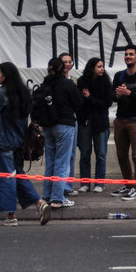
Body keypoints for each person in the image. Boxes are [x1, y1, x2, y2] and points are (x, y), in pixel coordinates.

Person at [0, 62, 51, 226]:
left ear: (5, 76)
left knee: (6, 178)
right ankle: (40, 203)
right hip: (19, 141)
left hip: (4, 142)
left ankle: (11, 216)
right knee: (18, 175)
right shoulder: (23, 92)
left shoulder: (1, 92)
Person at [39, 57, 82, 208]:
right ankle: (58, 198)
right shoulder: (67, 84)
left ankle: (46, 195)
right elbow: (78, 103)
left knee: (50, 161)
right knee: (62, 162)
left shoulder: (44, 84)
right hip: (64, 125)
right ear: (62, 68)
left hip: (48, 127)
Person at [110, 45, 136, 201]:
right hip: (121, 120)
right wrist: (118, 94)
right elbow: (112, 96)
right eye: (126, 54)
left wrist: (128, 93)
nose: (128, 56)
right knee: (121, 155)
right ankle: (128, 185)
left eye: (131, 54)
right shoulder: (119, 76)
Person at [75, 57, 112, 193]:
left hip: (100, 123)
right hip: (85, 122)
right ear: (92, 68)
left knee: (101, 154)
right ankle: (85, 183)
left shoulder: (106, 83)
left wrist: (90, 98)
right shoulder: (82, 81)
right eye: (99, 66)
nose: (102, 69)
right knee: (85, 154)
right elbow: (79, 102)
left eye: (102, 66)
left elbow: (106, 103)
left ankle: (99, 183)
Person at [58, 52, 78, 200]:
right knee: (60, 156)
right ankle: (59, 186)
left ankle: (68, 186)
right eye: (65, 62)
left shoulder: (75, 80)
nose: (68, 64)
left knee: (71, 154)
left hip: (73, 118)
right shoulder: (55, 80)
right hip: (60, 120)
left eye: (70, 62)